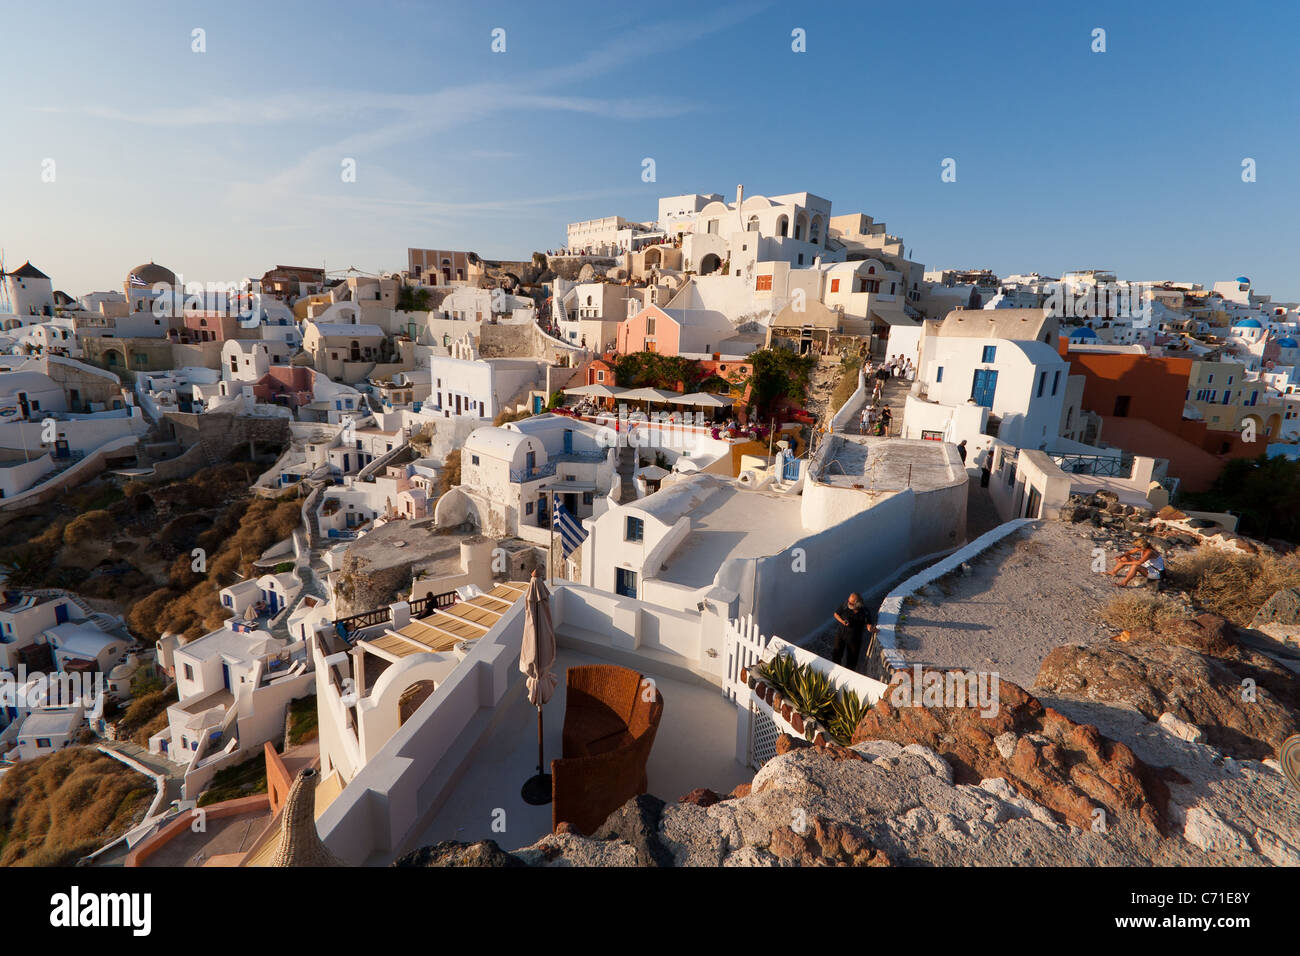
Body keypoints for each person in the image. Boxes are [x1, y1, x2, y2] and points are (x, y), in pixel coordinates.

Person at [831, 592, 875, 671]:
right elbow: (836, 614)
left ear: (857, 604)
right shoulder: (845, 605)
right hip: (841, 635)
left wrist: (870, 627)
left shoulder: (864, 612)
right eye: (849, 601)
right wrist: (842, 621)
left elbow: (868, 623)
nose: (849, 603)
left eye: (851, 603)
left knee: (851, 662)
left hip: (854, 639)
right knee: (836, 656)